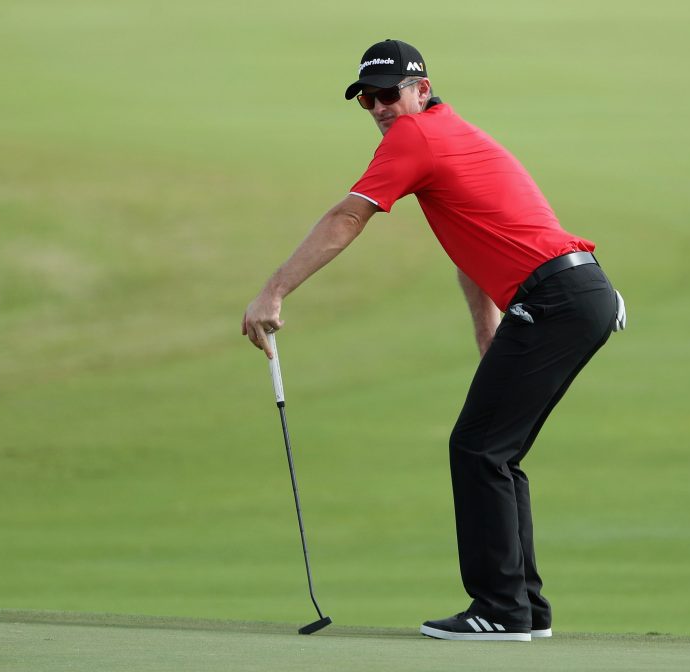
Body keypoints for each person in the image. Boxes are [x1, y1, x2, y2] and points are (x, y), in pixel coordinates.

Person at [243, 39, 625, 642]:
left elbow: (348, 217)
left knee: (478, 449)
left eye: (389, 93)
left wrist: (274, 291)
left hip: (556, 300)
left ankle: (500, 610)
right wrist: (486, 328)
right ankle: (522, 607)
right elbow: (475, 240)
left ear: (422, 89)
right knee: (496, 450)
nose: (377, 106)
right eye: (366, 97)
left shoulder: (414, 137)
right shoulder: (447, 134)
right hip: (574, 298)